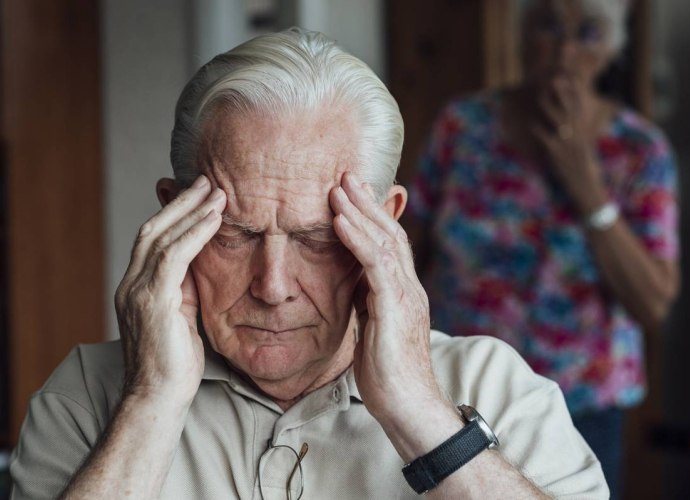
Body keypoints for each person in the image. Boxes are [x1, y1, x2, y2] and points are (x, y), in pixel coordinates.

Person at [9, 28, 607, 500]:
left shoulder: (496, 387)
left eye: (317, 240)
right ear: (173, 219)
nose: (273, 288)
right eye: (236, 234)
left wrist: (419, 411)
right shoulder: (87, 395)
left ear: (386, 225)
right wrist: (150, 403)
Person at [405, 1, 679, 498]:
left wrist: (586, 185)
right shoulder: (462, 127)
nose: (565, 49)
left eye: (589, 33)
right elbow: (406, 251)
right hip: (458, 392)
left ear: (613, 50)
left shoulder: (640, 150)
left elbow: (654, 302)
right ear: (521, 35)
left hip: (584, 406)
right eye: (548, 25)